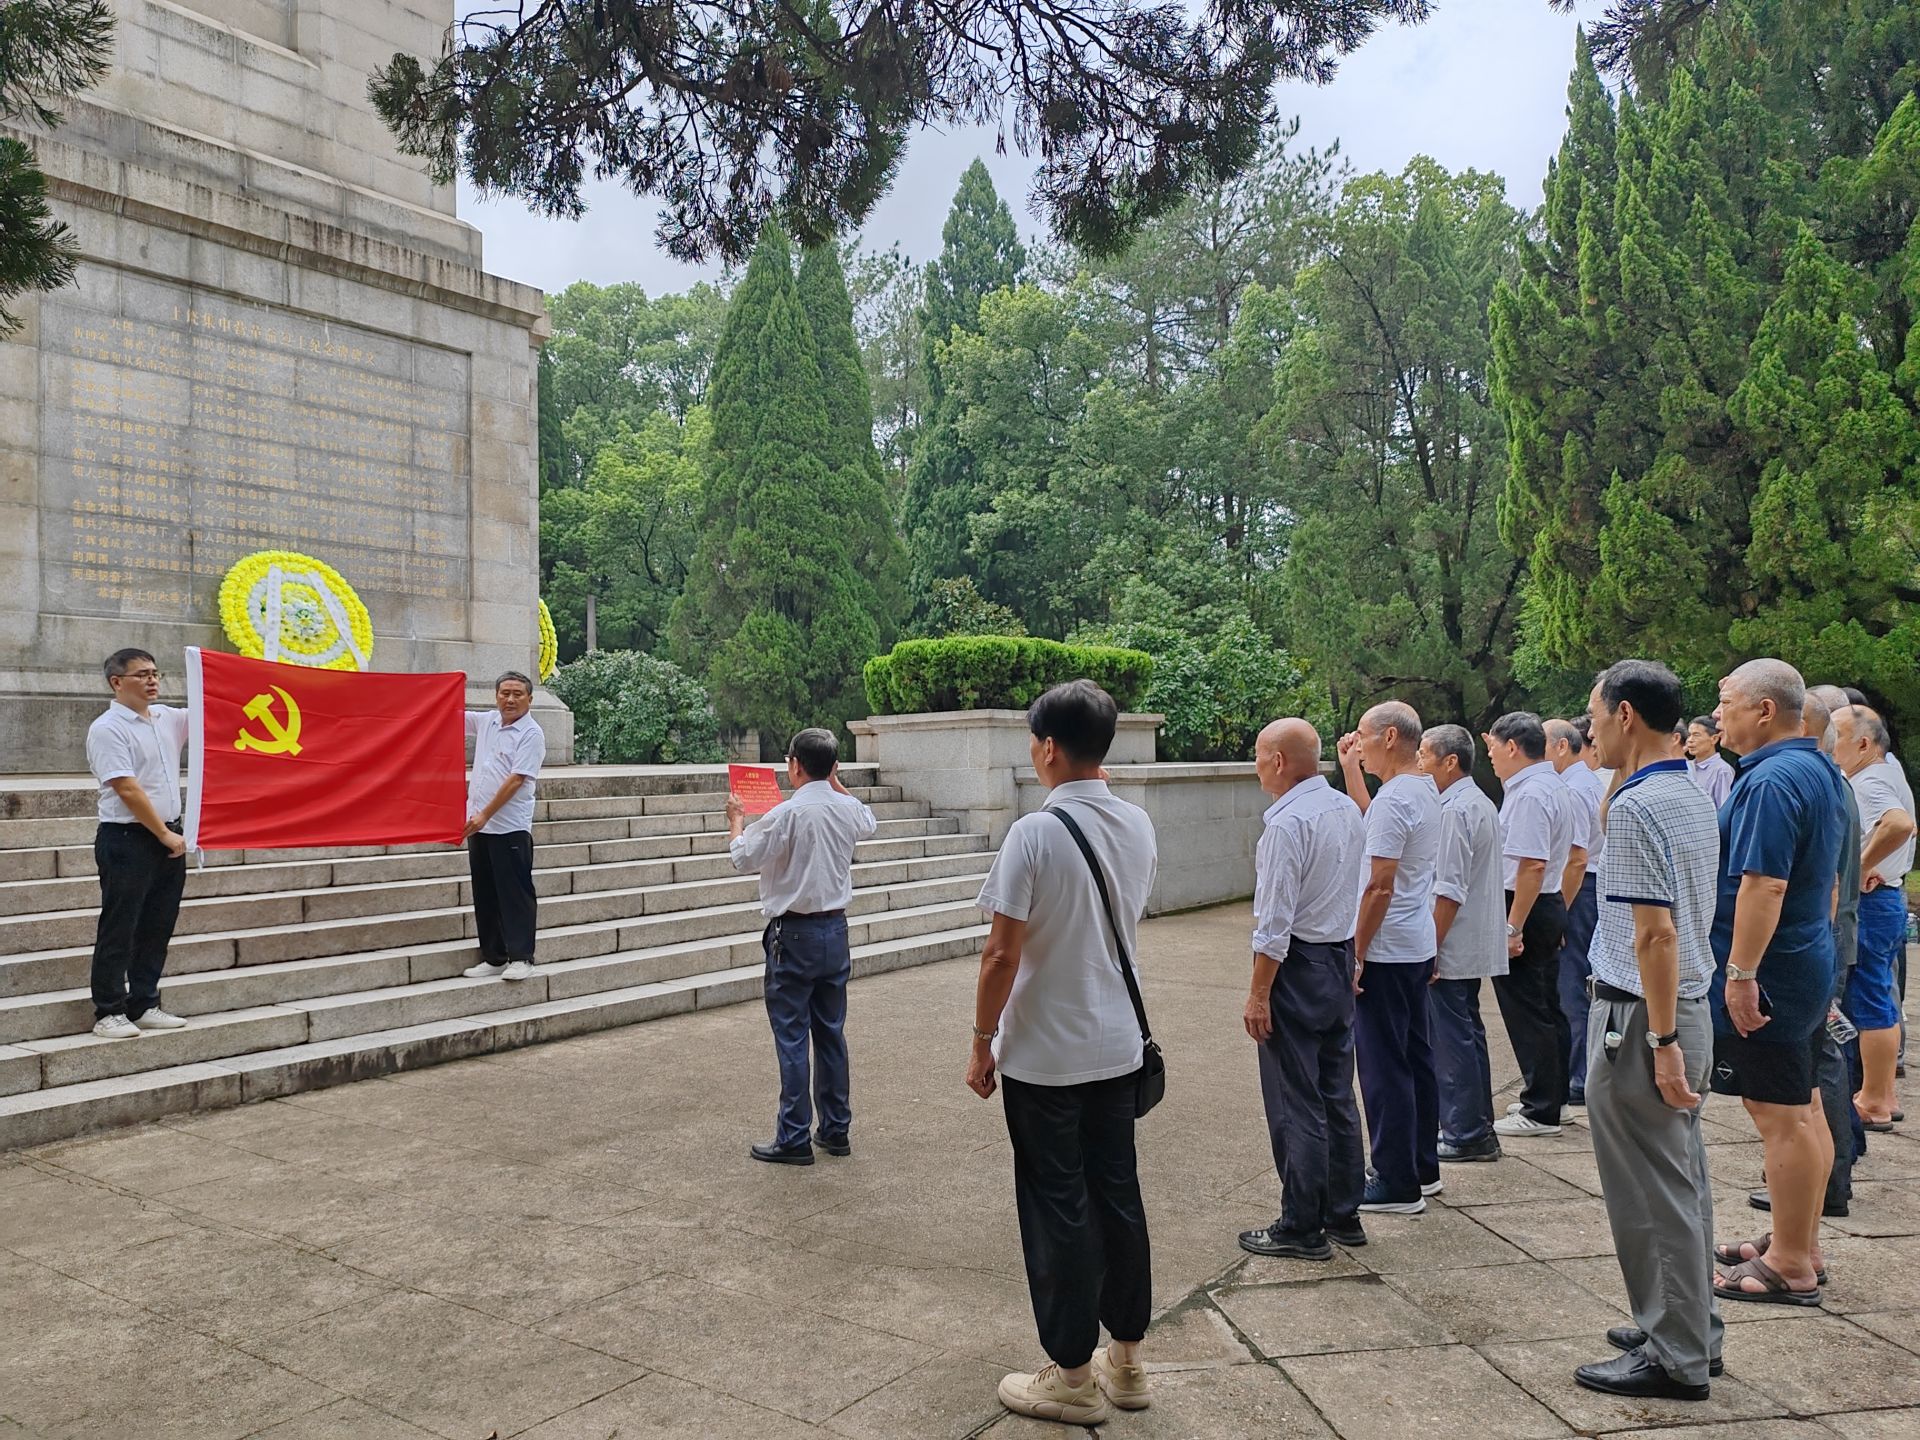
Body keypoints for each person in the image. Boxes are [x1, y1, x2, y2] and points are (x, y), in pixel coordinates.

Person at [966, 681, 1158, 1425]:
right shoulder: (1137, 825)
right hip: (1117, 1046)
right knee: (1118, 1192)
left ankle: (1073, 1374)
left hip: (1045, 1054)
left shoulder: (1034, 835)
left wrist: (982, 1041)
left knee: (1057, 1208)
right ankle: (1129, 1362)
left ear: (1048, 747)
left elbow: (999, 955)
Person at [1575, 659, 1723, 1401]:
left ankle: (1674, 1356)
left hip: (1644, 1020)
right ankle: (1691, 1326)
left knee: (1649, 1194)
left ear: (1626, 715)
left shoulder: (1639, 807)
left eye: (1596, 715)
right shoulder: (1688, 791)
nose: (1588, 730)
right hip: (1682, 1009)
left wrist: (1661, 1044)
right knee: (1683, 1180)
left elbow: (1654, 936)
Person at [1708, 659, 1845, 1307]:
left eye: (1727, 700)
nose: (1717, 713)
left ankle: (1792, 1262)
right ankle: (1799, 1240)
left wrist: (1740, 974)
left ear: (1765, 710)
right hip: (1804, 959)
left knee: (1780, 1115)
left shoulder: (1771, 782)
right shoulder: (1816, 767)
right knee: (1804, 1104)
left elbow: (1764, 883)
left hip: (1773, 973)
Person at [1239, 718, 1368, 1260]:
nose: (1256, 764)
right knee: (1336, 1092)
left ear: (1278, 762)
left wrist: (1258, 993)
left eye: (1259, 754)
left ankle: (1302, 1224)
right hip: (1337, 958)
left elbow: (1274, 924)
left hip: (1298, 967)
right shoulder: (1346, 810)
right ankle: (1344, 1212)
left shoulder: (1288, 825)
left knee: (1297, 1099)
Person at [728, 726, 877, 1166]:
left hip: (792, 936)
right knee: (830, 1032)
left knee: (793, 1037)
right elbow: (868, 821)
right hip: (835, 932)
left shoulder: (785, 815)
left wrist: (736, 820)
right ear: (834, 768)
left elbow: (743, 858)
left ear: (793, 765)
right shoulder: (847, 809)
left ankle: (793, 1135)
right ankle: (835, 1129)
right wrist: (833, 782)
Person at [1338, 702, 1443, 1212]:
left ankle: (1395, 1180)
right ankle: (1422, 1167)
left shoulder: (1397, 799)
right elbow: (1373, 822)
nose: (1356, 742)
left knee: (1383, 1068)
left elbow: (1379, 886)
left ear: (1390, 736)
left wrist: (1356, 953)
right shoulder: (1419, 789)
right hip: (1414, 943)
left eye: (1362, 736)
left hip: (1386, 950)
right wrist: (1350, 770)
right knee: (1416, 1059)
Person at [84, 648, 190, 1038]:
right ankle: (108, 1010)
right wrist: (162, 833)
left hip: (169, 837)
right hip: (128, 839)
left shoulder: (169, 718)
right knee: (121, 926)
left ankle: (144, 1002)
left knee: (157, 926)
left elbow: (220, 713)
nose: (153, 681)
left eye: (156, 673)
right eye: (142, 675)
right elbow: (126, 787)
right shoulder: (108, 728)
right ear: (117, 682)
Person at [1486, 711, 1577, 1137]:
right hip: (1545, 902)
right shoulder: (1551, 784)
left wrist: (1511, 926)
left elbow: (1530, 864)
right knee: (1548, 1007)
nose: (1490, 758)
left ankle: (1540, 1108)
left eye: (1492, 749)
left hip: (1525, 905)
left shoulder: (1530, 793)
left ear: (1511, 746)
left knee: (1529, 1011)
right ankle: (1552, 1097)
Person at [1420, 724, 1507, 1164]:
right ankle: (1476, 1125)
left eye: (1424, 756)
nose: (1419, 764)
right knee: (1467, 1034)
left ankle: (1464, 1131)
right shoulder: (1478, 801)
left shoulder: (1455, 809)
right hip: (1469, 941)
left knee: (1452, 1037)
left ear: (1449, 761)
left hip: (1452, 943)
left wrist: (1431, 947)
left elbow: (1448, 888)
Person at [1828, 705, 1911, 1130]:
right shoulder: (1883, 774)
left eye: (1835, 735)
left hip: (1873, 905)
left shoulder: (1868, 779)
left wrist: (1858, 867)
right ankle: (1880, 1095)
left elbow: (1899, 823)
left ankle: (1877, 1098)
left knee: (1871, 997)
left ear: (1863, 743)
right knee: (1877, 993)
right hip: (1887, 897)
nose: (1829, 743)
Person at [460, 672, 546, 983]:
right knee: (485, 892)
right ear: (496, 696)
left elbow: (516, 780)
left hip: (509, 826)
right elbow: (448, 716)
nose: (509, 699)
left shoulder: (531, 734)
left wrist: (485, 814)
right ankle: (494, 956)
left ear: (529, 699)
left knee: (514, 893)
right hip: (478, 825)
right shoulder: (487, 722)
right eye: (504, 693)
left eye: (517, 694)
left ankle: (522, 957)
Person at [1548, 717, 1605, 1106]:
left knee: (1572, 986)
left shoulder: (1574, 789)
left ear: (1563, 746)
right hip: (1586, 887)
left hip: (1578, 889)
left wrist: (1559, 914)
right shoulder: (1587, 783)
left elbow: (1576, 859)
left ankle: (1577, 1078)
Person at [1685, 717, 1736, 809]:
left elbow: (1724, 810)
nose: (1690, 740)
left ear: (1714, 739)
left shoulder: (1722, 771)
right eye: (1689, 735)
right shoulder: (1686, 767)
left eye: (1696, 735)